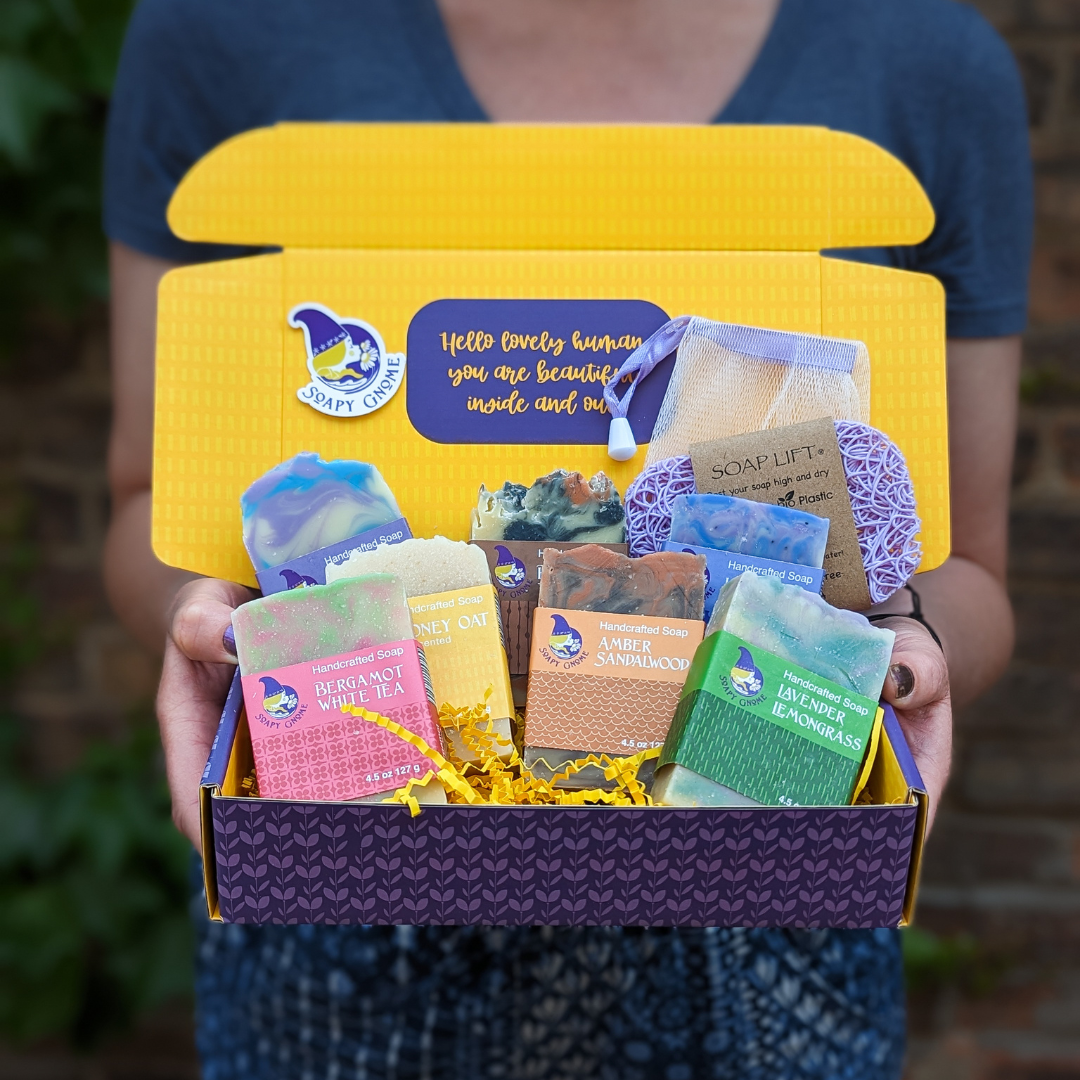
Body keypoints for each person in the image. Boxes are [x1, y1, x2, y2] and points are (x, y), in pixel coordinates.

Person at [103, 0, 1031, 1076]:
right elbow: (149, 505)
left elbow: (968, 572)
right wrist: (196, 615)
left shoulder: (927, 62)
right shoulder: (219, 30)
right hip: (339, 872)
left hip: (767, 896)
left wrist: (909, 650)